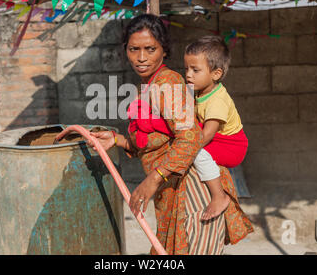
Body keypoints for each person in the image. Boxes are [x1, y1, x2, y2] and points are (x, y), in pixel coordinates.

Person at [87, 14, 252, 255]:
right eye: (134, 49)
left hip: (193, 192)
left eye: (150, 49)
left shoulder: (169, 84)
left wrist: (153, 179)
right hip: (171, 193)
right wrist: (117, 140)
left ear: (164, 50)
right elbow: (154, 141)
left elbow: (189, 139)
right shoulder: (146, 87)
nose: (141, 57)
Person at [184, 36, 249, 221]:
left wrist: (185, 150)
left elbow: (207, 135)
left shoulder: (217, 100)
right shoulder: (199, 91)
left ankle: (219, 196)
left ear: (216, 73)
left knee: (198, 154)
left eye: (195, 70)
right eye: (186, 69)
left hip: (232, 145)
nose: (188, 74)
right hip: (219, 138)